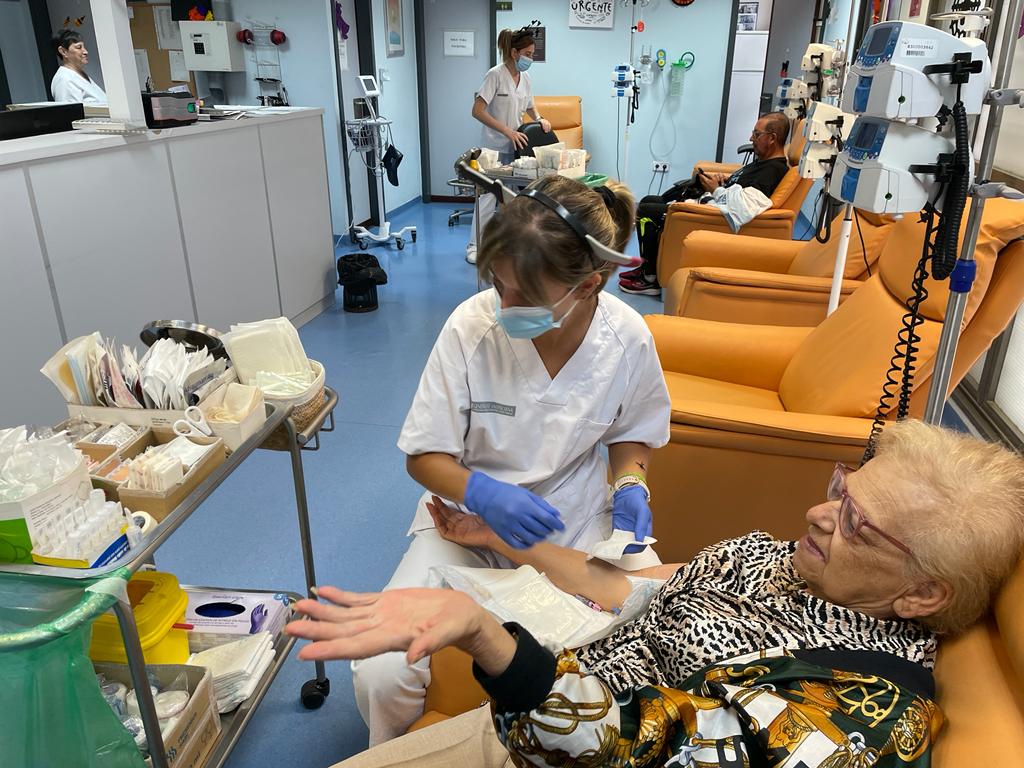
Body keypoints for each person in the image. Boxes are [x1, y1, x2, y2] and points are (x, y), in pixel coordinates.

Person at [288, 420, 1024, 767]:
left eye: (856, 522)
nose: (818, 513)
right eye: (840, 489)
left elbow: (642, 753)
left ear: (924, 595)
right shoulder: (786, 562)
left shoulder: (850, 723)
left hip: (568, 743)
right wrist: (509, 543)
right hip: (544, 707)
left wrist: (488, 636)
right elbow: (634, 589)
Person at [349, 174, 672, 744]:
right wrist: (483, 493)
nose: (505, 307)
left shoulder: (627, 338)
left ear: (591, 285)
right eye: (499, 286)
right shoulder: (473, 327)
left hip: (572, 524)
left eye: (526, 296)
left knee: (644, 645)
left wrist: (629, 486)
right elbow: (424, 455)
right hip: (462, 525)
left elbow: (632, 433)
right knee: (381, 671)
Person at [619, 111, 791, 297]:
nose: (751, 138)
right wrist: (724, 181)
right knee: (650, 201)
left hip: (711, 216)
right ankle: (647, 266)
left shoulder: (772, 170)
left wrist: (715, 190)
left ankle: (650, 278)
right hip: (713, 202)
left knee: (646, 210)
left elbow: (743, 208)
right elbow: (742, 188)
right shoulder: (763, 163)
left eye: (757, 134)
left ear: (772, 138)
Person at [465, 26, 552, 265]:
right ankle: (475, 246)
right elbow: (477, 110)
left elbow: (531, 106)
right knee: (487, 198)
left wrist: (540, 119)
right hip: (492, 148)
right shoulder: (495, 75)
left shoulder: (526, 78)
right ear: (514, 52)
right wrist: (506, 130)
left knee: (516, 199)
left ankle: (513, 245)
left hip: (517, 150)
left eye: (532, 54)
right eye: (528, 53)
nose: (530, 58)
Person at [50, 30, 107, 105]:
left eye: (84, 47)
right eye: (79, 47)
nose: (85, 52)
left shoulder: (80, 74)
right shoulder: (64, 80)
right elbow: (71, 113)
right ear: (63, 51)